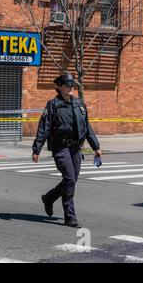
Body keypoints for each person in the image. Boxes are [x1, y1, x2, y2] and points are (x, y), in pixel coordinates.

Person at [32, 73, 102, 228]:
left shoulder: (79, 104)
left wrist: (96, 146)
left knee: (71, 180)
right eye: (68, 85)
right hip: (60, 147)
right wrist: (36, 148)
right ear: (59, 87)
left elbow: (87, 127)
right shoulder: (53, 105)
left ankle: (49, 198)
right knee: (69, 178)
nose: (71, 87)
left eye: (72, 85)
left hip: (76, 148)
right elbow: (44, 128)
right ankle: (70, 216)